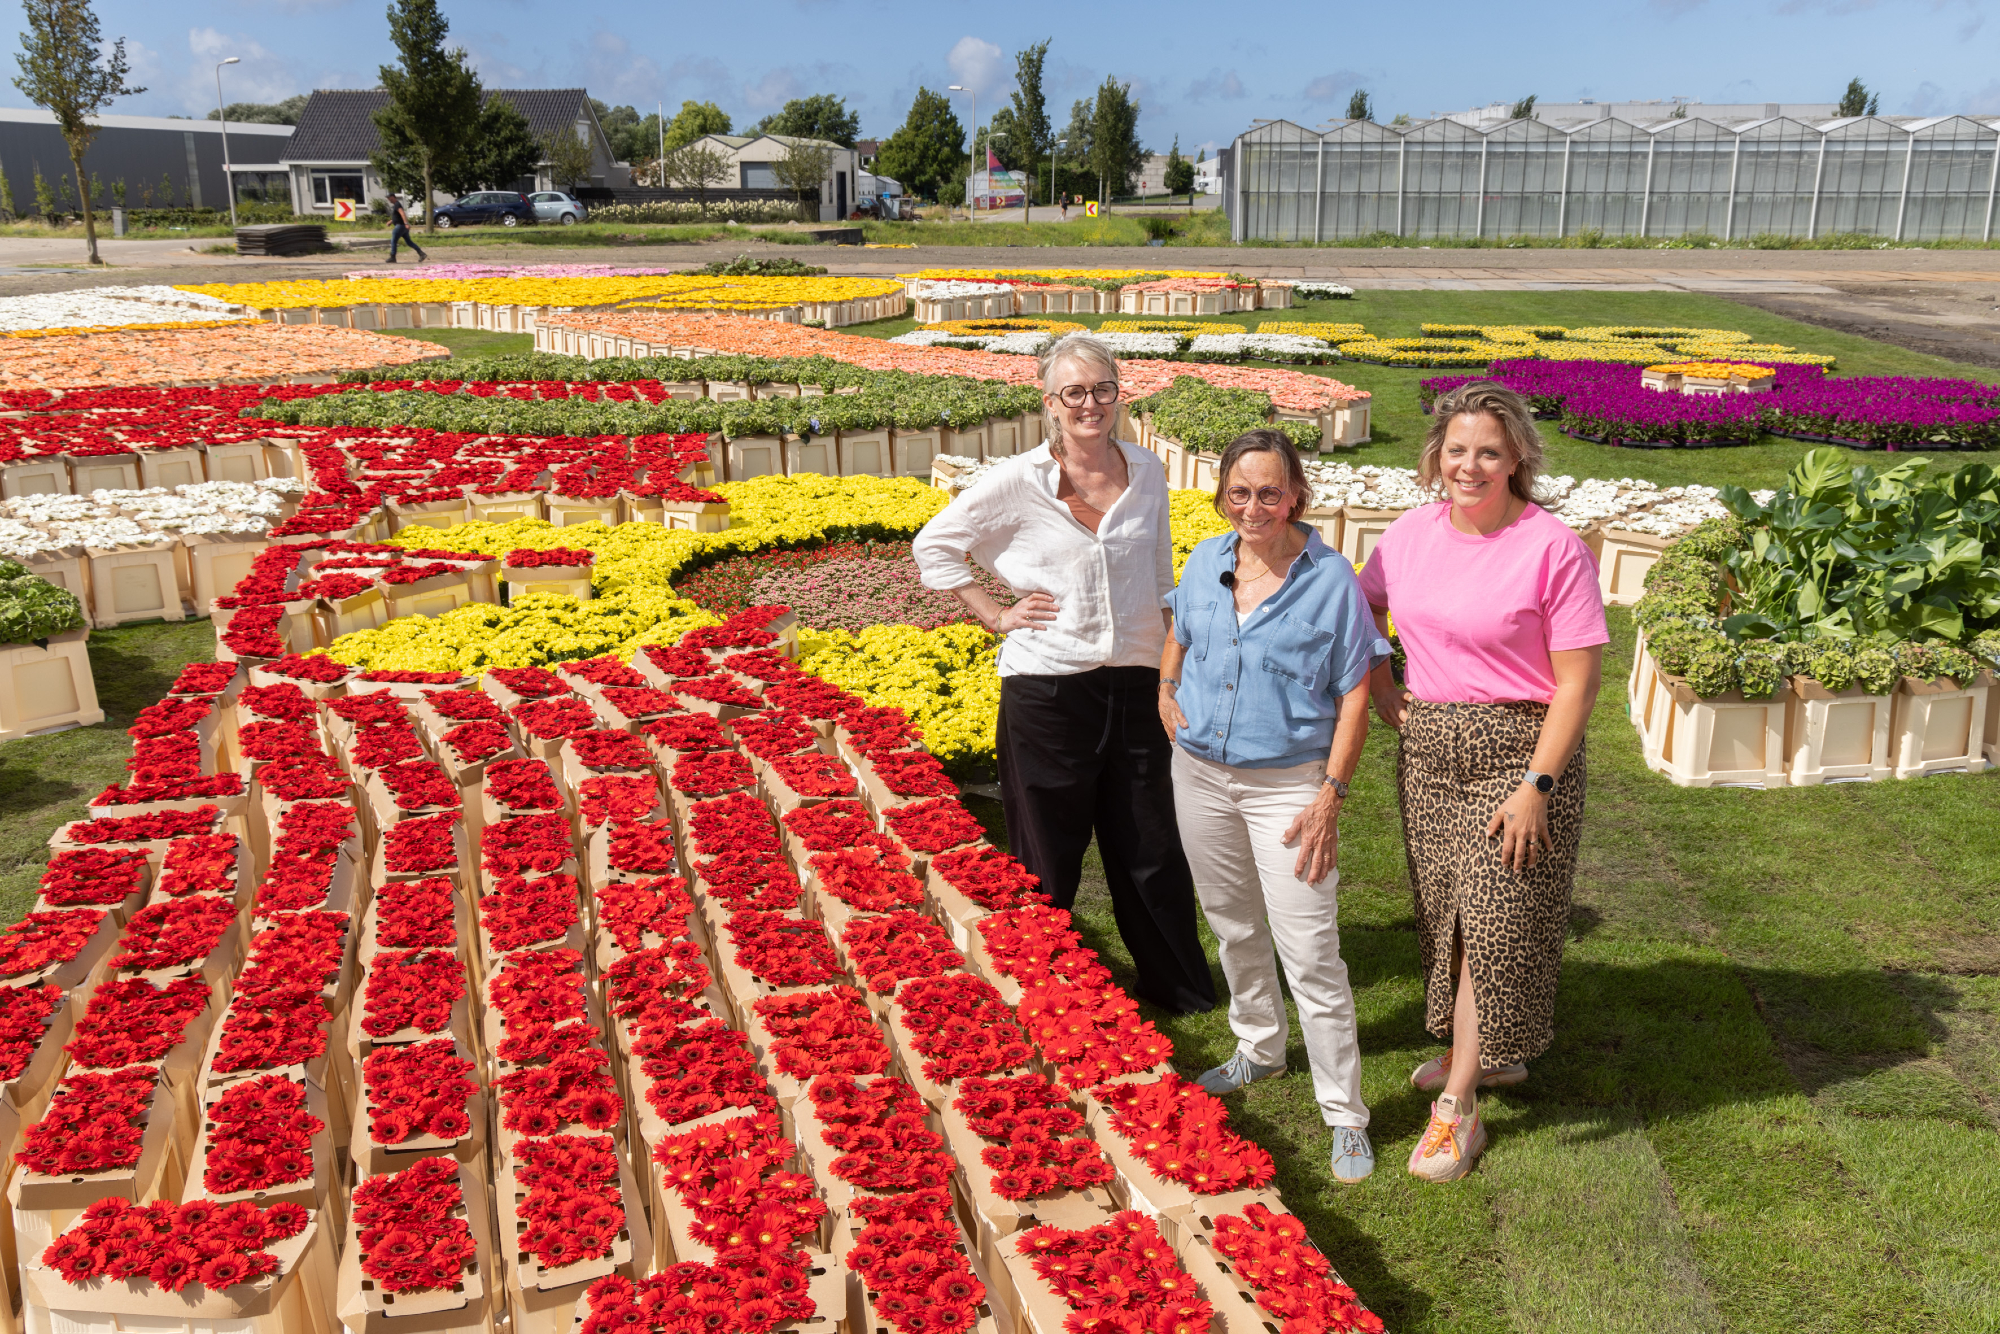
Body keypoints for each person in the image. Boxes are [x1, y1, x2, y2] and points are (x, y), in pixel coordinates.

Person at [913, 332, 1216, 1015]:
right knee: (1046, 852)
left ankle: (1178, 987)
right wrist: (992, 611)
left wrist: (1174, 668)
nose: (1090, 405)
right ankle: (1040, 988)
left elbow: (1161, 572)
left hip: (1139, 685)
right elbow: (935, 543)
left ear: (1119, 393)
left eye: (1101, 390)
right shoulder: (1018, 481)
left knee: (1151, 844)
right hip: (1048, 690)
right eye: (1074, 393)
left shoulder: (1148, 471)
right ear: (1050, 401)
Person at [1357, 381, 1606, 1182]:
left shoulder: (1551, 546)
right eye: (1457, 450)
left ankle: (1457, 1105)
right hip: (1429, 749)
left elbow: (1576, 684)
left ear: (1518, 459)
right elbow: (1359, 609)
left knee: (1496, 920)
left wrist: (1538, 783)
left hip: (1520, 753)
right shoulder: (1409, 535)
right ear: (1436, 456)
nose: (1471, 466)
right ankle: (1491, 1057)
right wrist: (1387, 686)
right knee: (1449, 920)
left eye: (1489, 452)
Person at [1159, 429, 1387, 1183]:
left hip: (1290, 786)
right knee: (1232, 925)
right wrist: (1166, 687)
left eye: (1270, 492)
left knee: (1312, 952)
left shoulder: (1331, 581)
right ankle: (1259, 1047)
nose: (1253, 506)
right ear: (1222, 494)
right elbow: (1180, 628)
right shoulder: (1205, 558)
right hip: (1199, 775)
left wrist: (1332, 792)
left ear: (1296, 496)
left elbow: (1356, 690)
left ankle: (1345, 1115)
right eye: (1239, 492)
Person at [386, 194, 426, 264]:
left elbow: (402, 214)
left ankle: (393, 257)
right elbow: (398, 216)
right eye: (388, 199)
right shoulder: (396, 205)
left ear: (393, 197)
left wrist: (406, 223)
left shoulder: (397, 204)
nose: (389, 200)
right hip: (402, 226)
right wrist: (391, 221)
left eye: (390, 198)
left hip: (400, 226)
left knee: (393, 241)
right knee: (409, 242)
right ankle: (421, 254)